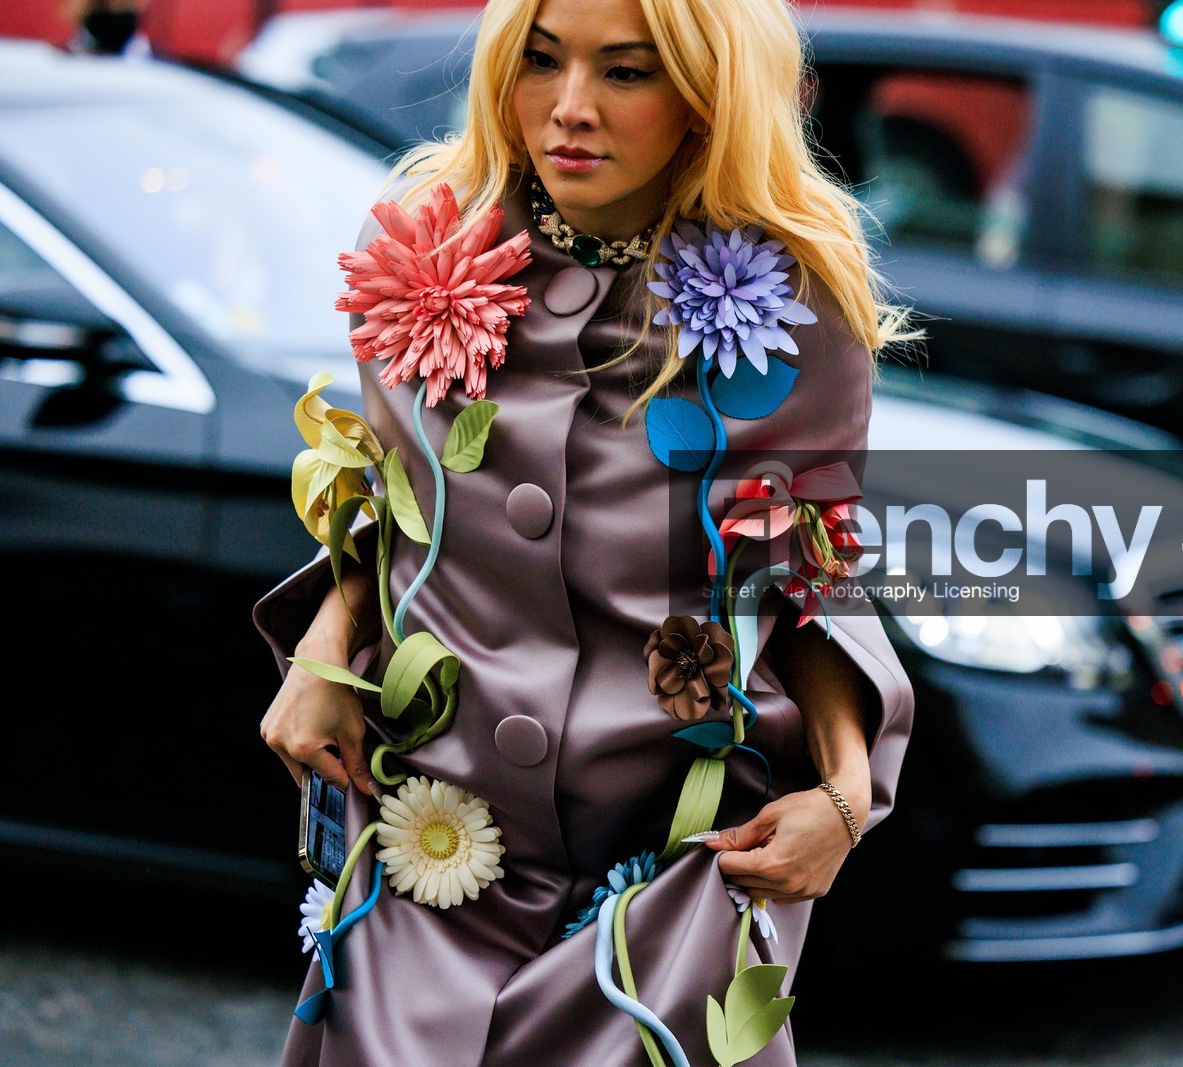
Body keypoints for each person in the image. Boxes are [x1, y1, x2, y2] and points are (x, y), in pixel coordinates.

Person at [254, 0, 920, 1062]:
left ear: (706, 97)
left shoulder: (789, 312)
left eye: (625, 72)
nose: (569, 108)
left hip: (668, 882)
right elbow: (400, 508)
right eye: (541, 61)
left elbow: (801, 575)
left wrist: (844, 794)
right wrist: (323, 649)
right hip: (432, 843)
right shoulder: (423, 257)